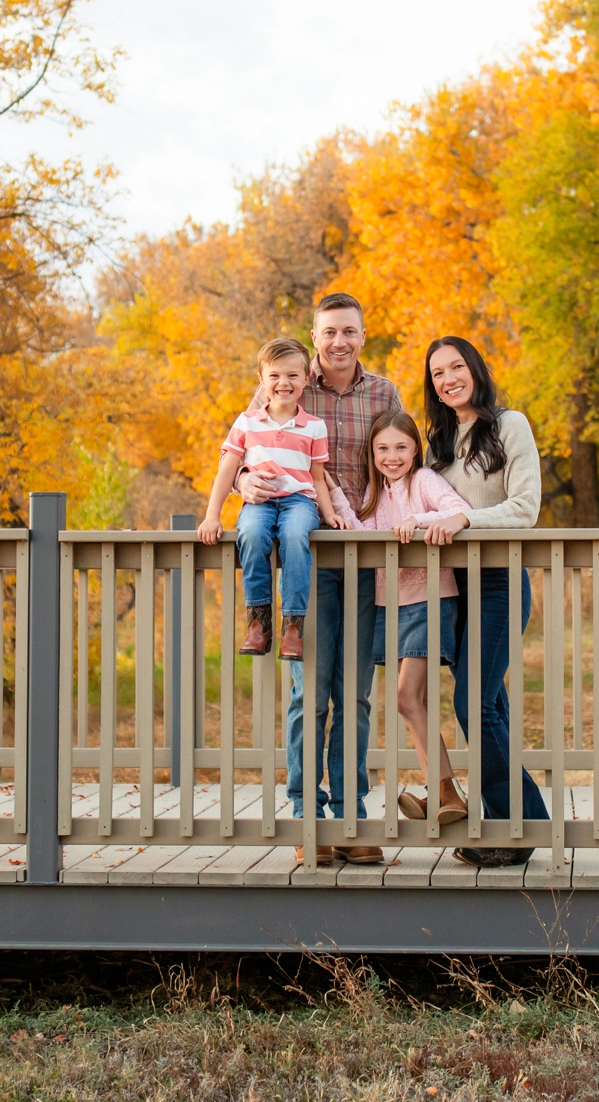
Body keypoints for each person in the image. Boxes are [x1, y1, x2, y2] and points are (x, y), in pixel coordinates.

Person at [233, 293, 401, 859]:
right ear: (315, 334)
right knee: (310, 694)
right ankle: (308, 818)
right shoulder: (287, 384)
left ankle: (351, 818)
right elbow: (248, 450)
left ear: (362, 335)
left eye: (349, 331)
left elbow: (402, 459)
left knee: (354, 694)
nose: (339, 342)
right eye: (329, 332)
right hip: (308, 556)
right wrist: (241, 488)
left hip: (364, 553)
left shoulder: (383, 392)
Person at [414, 334, 549, 867]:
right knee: (488, 703)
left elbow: (526, 507)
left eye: (456, 367)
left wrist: (465, 518)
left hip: (498, 581)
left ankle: (525, 821)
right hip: (454, 588)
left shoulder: (509, 425)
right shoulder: (438, 443)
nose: (449, 379)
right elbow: (422, 505)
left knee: (471, 701)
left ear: (475, 367)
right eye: (437, 374)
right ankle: (504, 823)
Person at [347, 408, 472, 830]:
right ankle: (440, 792)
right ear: (372, 452)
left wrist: (417, 521)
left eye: (401, 447)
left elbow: (458, 509)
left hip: (429, 598)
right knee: (410, 701)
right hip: (390, 605)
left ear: (415, 449)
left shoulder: (424, 482)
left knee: (406, 697)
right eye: (383, 448)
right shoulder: (373, 494)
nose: (392, 456)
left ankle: (447, 791)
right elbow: (356, 529)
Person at [197, 337, 347, 656]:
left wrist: (330, 512)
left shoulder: (314, 427)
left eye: (293, 375)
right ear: (261, 380)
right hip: (259, 502)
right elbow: (227, 470)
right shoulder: (247, 422)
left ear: (306, 378)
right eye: (275, 375)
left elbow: (318, 478)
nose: (283, 383)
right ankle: (258, 624)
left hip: (299, 502)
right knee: (250, 535)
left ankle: (292, 627)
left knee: (295, 536)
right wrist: (212, 515)